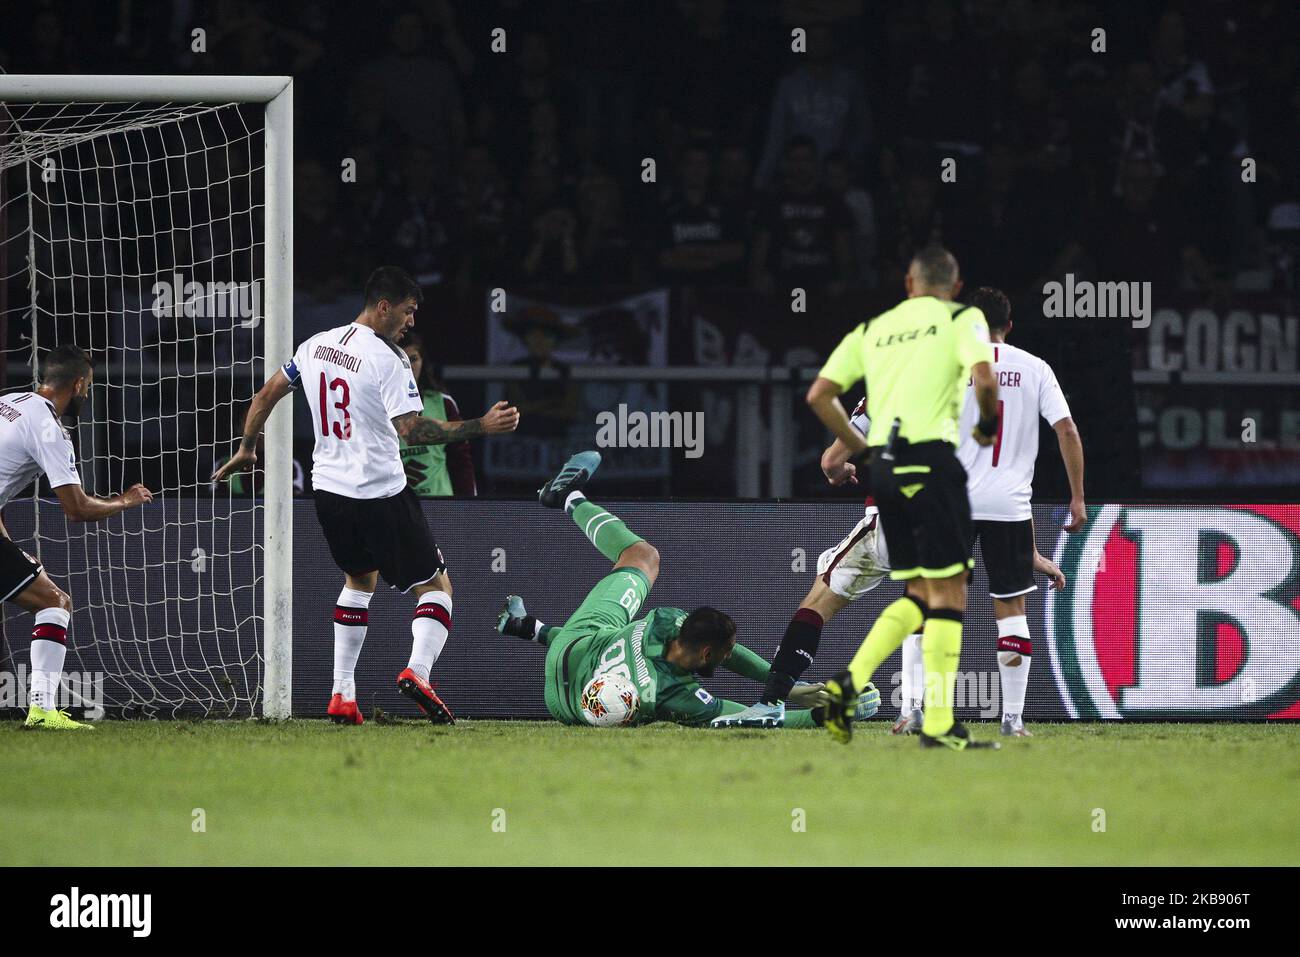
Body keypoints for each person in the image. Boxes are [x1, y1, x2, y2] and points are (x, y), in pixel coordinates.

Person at [215, 267, 519, 725]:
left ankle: (342, 694)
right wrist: (481, 426)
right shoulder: (388, 358)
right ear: (384, 306)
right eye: (408, 311)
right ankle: (418, 673)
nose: (411, 322)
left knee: (360, 581)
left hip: (330, 493)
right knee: (437, 588)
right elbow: (412, 431)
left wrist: (247, 447)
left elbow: (266, 394)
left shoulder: (314, 345)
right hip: (379, 492)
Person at [495, 451, 880, 728]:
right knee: (612, 625)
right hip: (563, 705)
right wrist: (820, 713)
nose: (728, 659)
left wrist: (787, 687)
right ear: (708, 652)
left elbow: (728, 657)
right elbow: (748, 717)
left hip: (573, 645)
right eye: (724, 655)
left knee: (642, 556)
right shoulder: (672, 694)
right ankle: (529, 626)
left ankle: (567, 500)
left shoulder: (665, 622)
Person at [805, 245, 999, 750]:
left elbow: (819, 396)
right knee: (949, 593)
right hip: (933, 466)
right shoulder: (963, 318)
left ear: (909, 284)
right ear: (954, 288)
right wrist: (988, 428)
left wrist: (861, 452)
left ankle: (850, 694)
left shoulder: (874, 329)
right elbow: (984, 378)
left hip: (886, 472)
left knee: (918, 595)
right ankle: (934, 720)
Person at [894, 287, 1083, 738]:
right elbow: (1067, 430)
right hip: (1008, 507)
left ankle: (911, 709)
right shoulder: (1035, 368)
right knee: (1011, 609)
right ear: (1009, 326)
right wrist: (1077, 497)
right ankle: (1013, 719)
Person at [2, 346, 154, 729]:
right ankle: (41, 712)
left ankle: (42, 711)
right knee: (54, 602)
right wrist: (126, 500)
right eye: (89, 387)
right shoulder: (48, 428)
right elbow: (77, 509)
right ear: (79, 384)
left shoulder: (8, 402)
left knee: (52, 598)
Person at [398, 332, 476, 496]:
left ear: (423, 361)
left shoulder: (444, 403)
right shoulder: (375, 406)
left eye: (413, 359)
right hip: (397, 508)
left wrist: (470, 508)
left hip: (441, 506)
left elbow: (461, 461)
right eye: (400, 360)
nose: (408, 367)